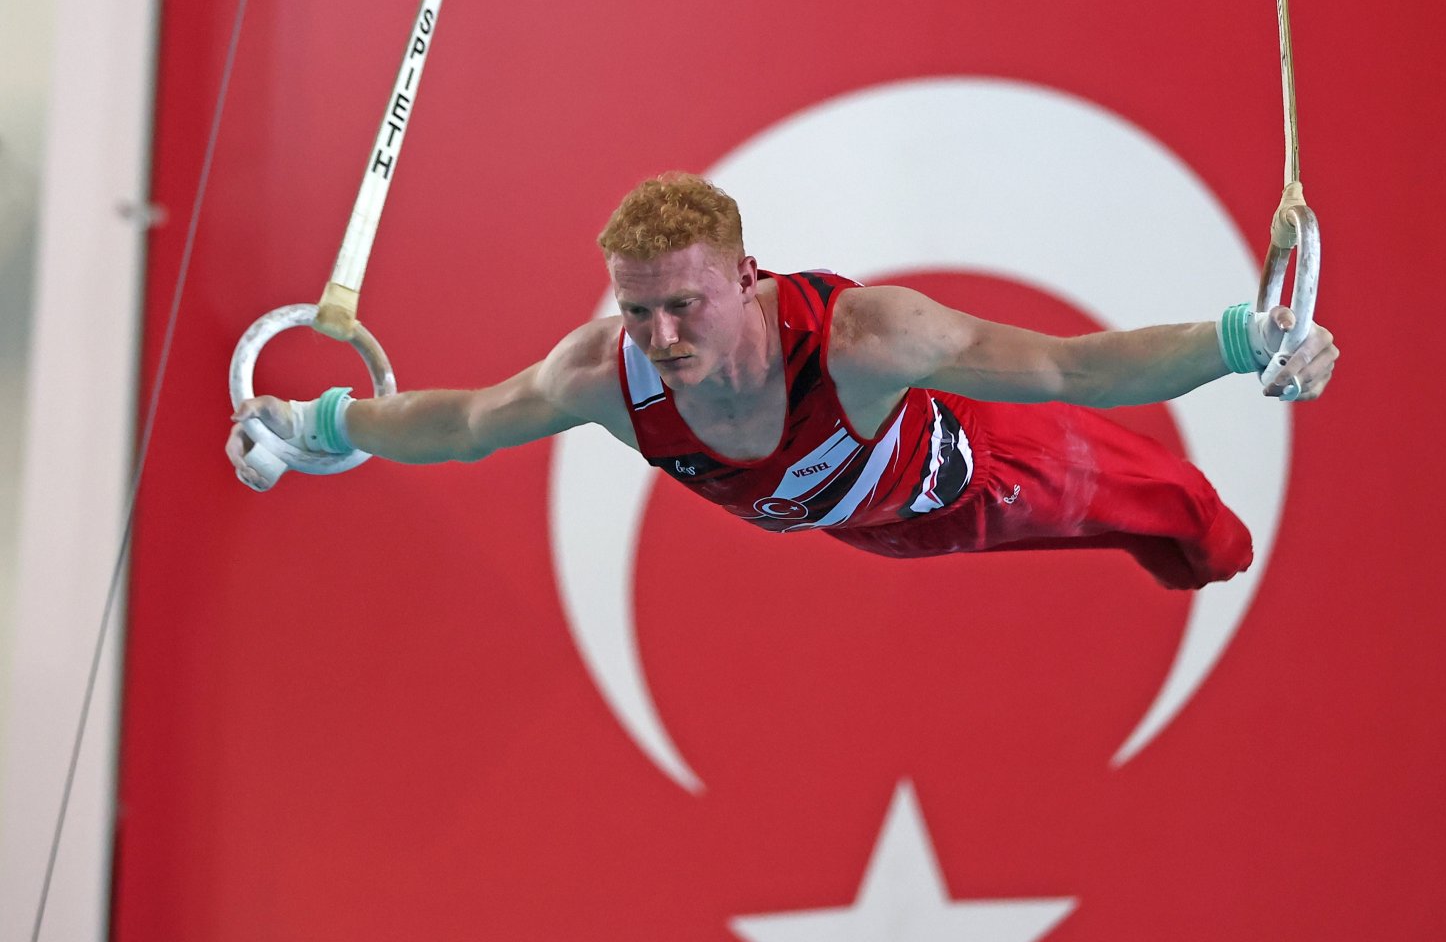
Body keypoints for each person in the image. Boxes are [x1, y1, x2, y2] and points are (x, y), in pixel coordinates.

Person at [227, 173, 1337, 589]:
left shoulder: (865, 338)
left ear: (746, 277)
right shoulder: (603, 377)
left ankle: (1203, 537)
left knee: (1200, 537)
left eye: (685, 304)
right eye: (637, 307)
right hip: (862, 528)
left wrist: (1248, 340)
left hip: (979, 477)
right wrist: (322, 420)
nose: (660, 334)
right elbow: (465, 422)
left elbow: (1071, 367)